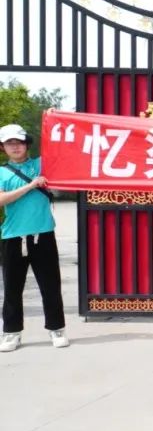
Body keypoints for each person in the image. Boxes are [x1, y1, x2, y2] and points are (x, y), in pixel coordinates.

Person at [0, 123, 68, 352]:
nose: (15, 147)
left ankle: (57, 328)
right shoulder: (1, 172)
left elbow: (61, 152)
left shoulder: (41, 164)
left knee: (50, 286)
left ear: (26, 144)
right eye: (9, 143)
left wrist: (55, 122)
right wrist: (30, 185)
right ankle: (12, 333)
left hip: (43, 234)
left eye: (19, 142)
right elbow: (1, 199)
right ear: (3, 147)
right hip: (13, 237)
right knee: (12, 288)